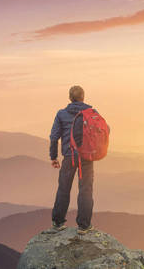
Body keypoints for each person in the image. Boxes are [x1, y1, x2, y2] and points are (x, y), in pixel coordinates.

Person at [47, 85, 94, 234]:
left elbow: (54, 137)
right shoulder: (91, 112)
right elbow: (105, 129)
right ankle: (84, 226)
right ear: (83, 97)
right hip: (87, 156)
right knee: (85, 189)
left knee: (64, 188)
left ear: (69, 98)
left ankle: (58, 223)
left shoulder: (62, 114)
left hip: (69, 156)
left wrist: (53, 157)